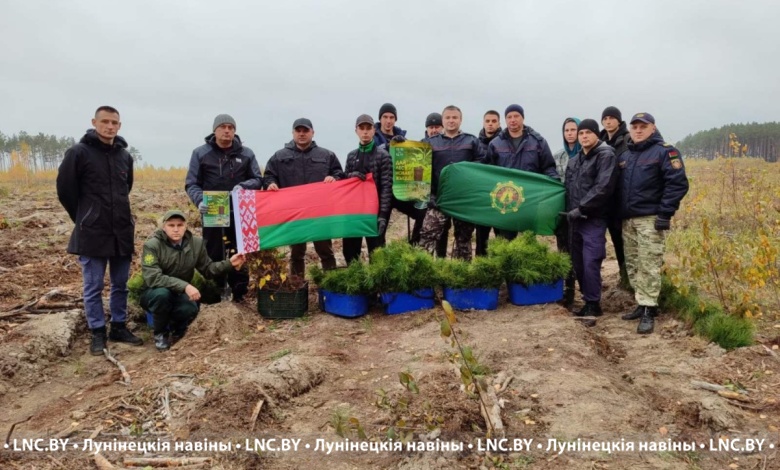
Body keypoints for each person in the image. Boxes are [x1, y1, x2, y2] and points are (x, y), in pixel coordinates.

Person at [56, 105, 143, 355]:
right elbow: (65, 191)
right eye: (105, 121)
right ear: (94, 122)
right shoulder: (78, 153)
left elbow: (126, 188)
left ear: (120, 125)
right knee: (93, 286)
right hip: (92, 232)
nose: (110, 126)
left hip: (121, 232)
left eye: (114, 122)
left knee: (120, 284)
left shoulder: (124, 156)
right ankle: (97, 332)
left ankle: (118, 326)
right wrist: (84, 217)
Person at [617, 113, 689, 334]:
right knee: (633, 264)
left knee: (649, 264)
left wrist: (665, 213)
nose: (638, 130)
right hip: (628, 220)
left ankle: (650, 309)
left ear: (653, 128)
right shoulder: (626, 155)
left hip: (650, 219)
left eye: (643, 127)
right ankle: (642, 303)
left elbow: (677, 184)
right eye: (635, 126)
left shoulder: (665, 152)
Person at [140, 210, 246, 351]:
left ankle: (178, 330)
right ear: (164, 227)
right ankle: (160, 333)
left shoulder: (196, 244)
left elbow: (208, 270)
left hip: (179, 293)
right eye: (171, 225)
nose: (176, 229)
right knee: (162, 295)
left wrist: (229, 263)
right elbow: (153, 277)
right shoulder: (152, 245)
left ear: (186, 226)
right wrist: (185, 286)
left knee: (189, 308)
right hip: (154, 292)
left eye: (180, 225)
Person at [185, 114, 262, 302]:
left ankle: (239, 292)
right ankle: (215, 291)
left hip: (239, 211)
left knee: (239, 250)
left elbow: (258, 179)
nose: (227, 130)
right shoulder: (200, 153)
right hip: (214, 209)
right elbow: (192, 183)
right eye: (223, 127)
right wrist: (199, 201)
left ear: (235, 131)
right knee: (213, 251)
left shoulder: (246, 154)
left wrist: (243, 186)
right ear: (215, 130)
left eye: (230, 127)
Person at [264, 118, 344, 276]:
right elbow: (268, 176)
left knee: (325, 252)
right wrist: (270, 183)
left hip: (319, 214)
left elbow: (339, 174)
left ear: (312, 133)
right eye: (298, 131)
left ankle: (330, 284)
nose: (302, 134)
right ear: (293, 133)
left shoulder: (327, 155)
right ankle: (297, 288)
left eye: (305, 131)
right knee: (296, 254)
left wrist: (334, 178)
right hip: (294, 214)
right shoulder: (279, 156)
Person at [564, 119, 618, 317]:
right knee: (577, 262)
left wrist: (582, 207)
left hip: (593, 219)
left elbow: (603, 187)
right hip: (575, 219)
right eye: (581, 133)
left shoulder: (606, 155)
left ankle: (594, 304)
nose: (584, 136)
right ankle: (587, 299)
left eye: (588, 132)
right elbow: (568, 189)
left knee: (590, 261)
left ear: (597, 134)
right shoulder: (575, 160)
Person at [419, 105, 486, 260]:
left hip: (463, 201)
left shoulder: (471, 141)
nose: (451, 120)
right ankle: (423, 275)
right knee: (427, 237)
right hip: (438, 200)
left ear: (460, 120)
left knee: (463, 239)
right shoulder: (430, 143)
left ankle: (459, 278)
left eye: (454, 117)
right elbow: (418, 166)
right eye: (448, 117)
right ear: (443, 120)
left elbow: (482, 167)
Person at [485, 104, 559, 240]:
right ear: (505, 120)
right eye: (509, 117)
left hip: (529, 199)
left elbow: (548, 167)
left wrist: (555, 184)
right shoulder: (495, 144)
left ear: (523, 118)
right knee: (505, 241)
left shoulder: (538, 141)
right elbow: (489, 171)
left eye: (516, 116)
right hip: (505, 200)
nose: (513, 120)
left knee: (527, 240)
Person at [342, 114, 393, 262]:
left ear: (374, 130)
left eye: (368, 128)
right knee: (350, 253)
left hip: (374, 212)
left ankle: (377, 285)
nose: (365, 132)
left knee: (377, 254)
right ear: (356, 130)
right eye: (361, 128)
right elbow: (345, 182)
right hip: (353, 211)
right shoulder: (351, 156)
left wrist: (383, 215)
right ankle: (356, 283)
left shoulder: (383, 156)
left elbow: (386, 187)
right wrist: (351, 175)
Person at [374, 103, 426, 245]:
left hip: (401, 190)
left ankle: (412, 248)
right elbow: (371, 154)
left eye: (391, 117)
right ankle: (380, 260)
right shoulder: (372, 136)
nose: (388, 120)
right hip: (382, 192)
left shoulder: (404, 139)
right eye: (385, 117)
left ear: (395, 119)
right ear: (380, 118)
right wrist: (387, 146)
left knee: (423, 213)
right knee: (380, 230)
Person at [600, 106, 631, 290]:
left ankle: (626, 278)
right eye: (605, 118)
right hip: (604, 203)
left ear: (618, 121)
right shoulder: (601, 142)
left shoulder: (627, 140)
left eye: (612, 118)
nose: (609, 121)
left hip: (621, 202)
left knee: (622, 244)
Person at [553, 117, 581, 306]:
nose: (570, 133)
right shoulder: (558, 156)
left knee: (580, 251)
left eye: (574, 129)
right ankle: (568, 289)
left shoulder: (588, 154)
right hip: (563, 211)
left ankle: (586, 289)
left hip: (582, 210)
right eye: (567, 130)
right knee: (564, 250)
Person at [475, 110, 503, 257]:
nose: (490, 124)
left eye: (493, 121)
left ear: (499, 123)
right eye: (487, 121)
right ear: (483, 123)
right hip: (483, 198)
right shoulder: (475, 143)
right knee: (481, 239)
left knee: (501, 239)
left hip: (501, 196)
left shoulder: (505, 142)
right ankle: (481, 271)